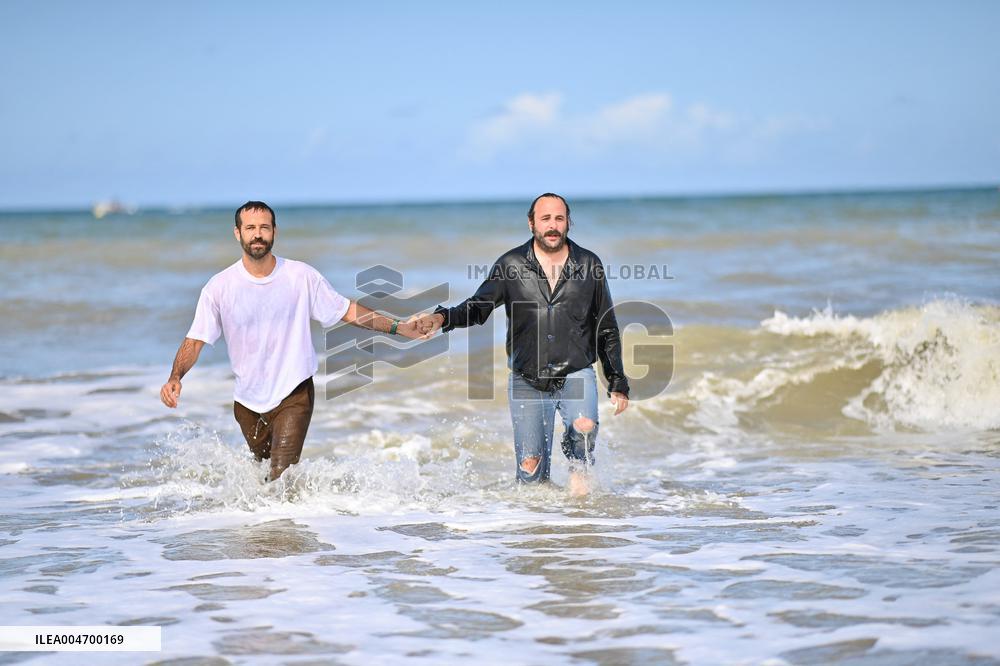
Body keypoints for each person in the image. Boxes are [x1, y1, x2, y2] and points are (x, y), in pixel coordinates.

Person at [160, 201, 423, 481]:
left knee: (280, 476)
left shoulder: (301, 276)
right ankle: (266, 526)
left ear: (275, 231)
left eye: (264, 227)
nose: (258, 234)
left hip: (294, 392)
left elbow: (347, 310)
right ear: (237, 233)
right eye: (250, 228)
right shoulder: (219, 287)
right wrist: (176, 376)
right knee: (263, 480)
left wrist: (399, 328)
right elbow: (196, 339)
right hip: (247, 402)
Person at [414, 193, 629, 496]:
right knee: (530, 476)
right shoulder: (510, 265)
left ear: (568, 223)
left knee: (584, 427)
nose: (552, 226)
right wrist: (441, 318)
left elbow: (606, 326)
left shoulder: (589, 264)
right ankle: (538, 534)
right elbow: (478, 307)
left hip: (576, 371)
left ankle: (581, 526)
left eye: (559, 218)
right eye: (545, 219)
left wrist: (617, 379)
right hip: (527, 378)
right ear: (531, 223)